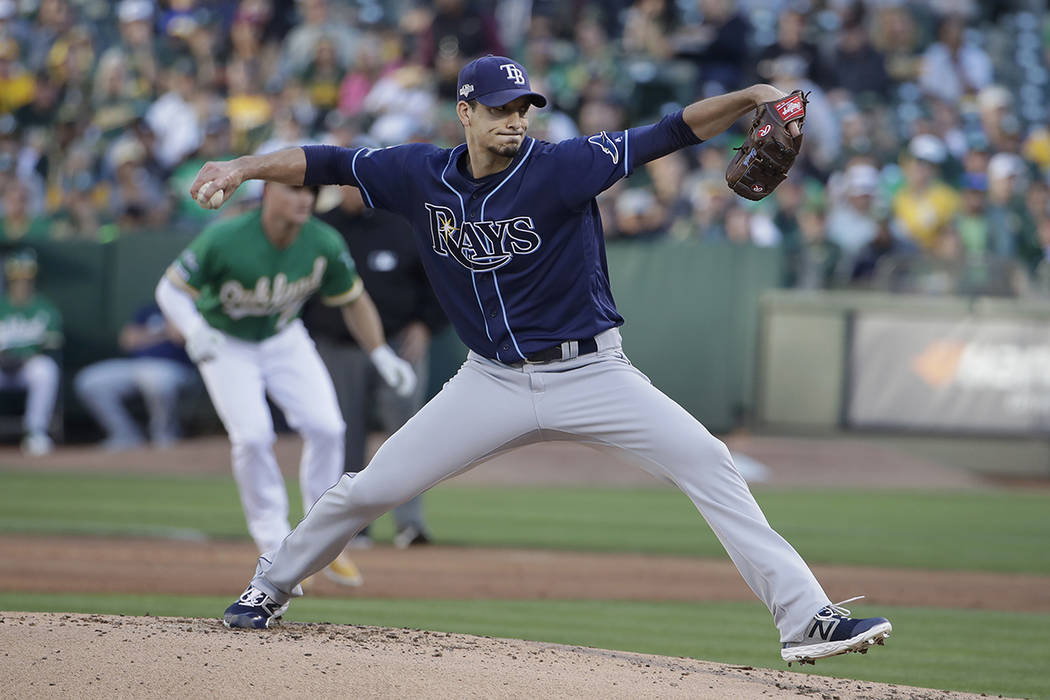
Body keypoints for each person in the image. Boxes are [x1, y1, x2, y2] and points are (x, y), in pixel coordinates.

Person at [200, 55, 892, 664]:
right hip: (490, 380)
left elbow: (673, 130)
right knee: (371, 490)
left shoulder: (563, 165)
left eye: (524, 107)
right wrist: (240, 166)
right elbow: (326, 161)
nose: (515, 119)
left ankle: (805, 618)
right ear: (465, 112)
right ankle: (271, 585)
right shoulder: (417, 172)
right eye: (500, 108)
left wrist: (752, 96)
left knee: (708, 460)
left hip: (593, 373)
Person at [154, 178, 417, 589]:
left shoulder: (322, 240)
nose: (303, 199)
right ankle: (275, 543)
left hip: (283, 337)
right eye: (293, 189)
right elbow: (169, 289)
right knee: (253, 437)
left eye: (309, 192)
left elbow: (353, 297)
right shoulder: (226, 236)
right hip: (227, 342)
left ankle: (320, 539)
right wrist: (191, 328)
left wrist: (380, 351)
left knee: (328, 428)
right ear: (268, 194)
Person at [303, 186, 447, 549]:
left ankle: (410, 525)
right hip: (337, 347)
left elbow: (440, 282)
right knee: (342, 436)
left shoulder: (405, 225)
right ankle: (348, 529)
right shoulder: (322, 229)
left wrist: (426, 324)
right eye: (349, 182)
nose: (357, 191)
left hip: (398, 345)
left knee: (408, 437)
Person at [73, 302, 198, 451]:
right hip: (137, 365)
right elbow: (128, 340)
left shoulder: (187, 310)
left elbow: (178, 336)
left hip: (175, 368)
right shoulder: (148, 310)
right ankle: (125, 435)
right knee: (89, 381)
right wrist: (161, 333)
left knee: (156, 380)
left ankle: (164, 436)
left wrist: (146, 334)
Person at [0, 248, 62, 456]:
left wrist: (25, 355)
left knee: (46, 370)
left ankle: (35, 432)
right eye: (17, 279)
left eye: (26, 279)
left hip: (28, 366)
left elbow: (53, 342)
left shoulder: (44, 307)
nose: (22, 284)